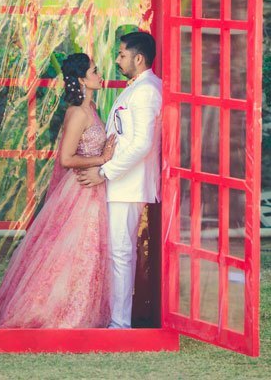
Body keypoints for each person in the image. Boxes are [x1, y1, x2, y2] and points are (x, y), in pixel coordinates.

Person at [0, 53, 116, 328]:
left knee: (87, 254)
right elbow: (66, 159)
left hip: (92, 189)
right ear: (81, 80)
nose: (100, 75)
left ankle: (80, 308)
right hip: (80, 189)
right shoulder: (78, 113)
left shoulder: (92, 111)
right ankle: (55, 311)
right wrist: (102, 160)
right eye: (94, 71)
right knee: (72, 252)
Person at [77, 32, 162, 329]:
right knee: (118, 251)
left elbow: (142, 145)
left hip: (129, 183)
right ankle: (116, 318)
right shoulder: (136, 88)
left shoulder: (148, 91)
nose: (116, 59)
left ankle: (120, 322)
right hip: (119, 180)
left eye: (122, 54)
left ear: (138, 59)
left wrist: (103, 172)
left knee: (121, 252)